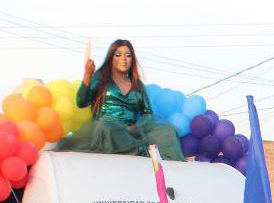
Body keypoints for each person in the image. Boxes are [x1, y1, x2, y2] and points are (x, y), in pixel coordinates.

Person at [56, 39, 185, 160]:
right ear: (111, 58)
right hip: (108, 130)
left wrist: (138, 126)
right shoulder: (100, 78)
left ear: (132, 60)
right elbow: (81, 102)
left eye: (128, 55)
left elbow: (147, 113)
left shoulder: (137, 85)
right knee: (106, 125)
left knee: (168, 132)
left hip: (132, 133)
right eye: (118, 54)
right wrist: (87, 75)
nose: (123, 59)